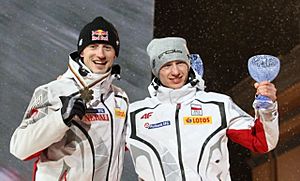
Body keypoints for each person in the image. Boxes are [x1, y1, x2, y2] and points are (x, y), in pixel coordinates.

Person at [126, 37, 279, 181]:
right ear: (156, 70)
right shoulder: (135, 115)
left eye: (180, 63)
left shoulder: (218, 105)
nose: (175, 72)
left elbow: (262, 142)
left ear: (188, 64)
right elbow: (104, 153)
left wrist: (267, 109)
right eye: (166, 65)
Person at [10, 16, 129, 181]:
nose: (100, 54)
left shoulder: (120, 98)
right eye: (93, 46)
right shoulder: (51, 91)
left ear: (115, 53)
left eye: (107, 47)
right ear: (82, 52)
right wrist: (60, 118)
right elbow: (20, 148)